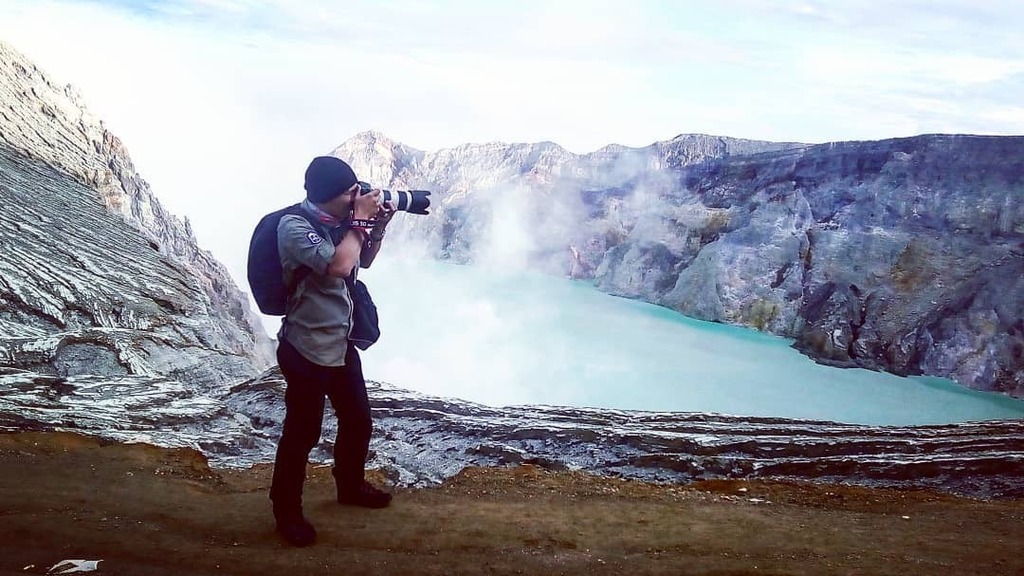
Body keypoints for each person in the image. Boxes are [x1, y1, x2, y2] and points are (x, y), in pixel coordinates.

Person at [270, 155, 396, 547]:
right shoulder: (294, 226)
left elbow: (364, 262)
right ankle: (286, 511)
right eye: (350, 193)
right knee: (302, 432)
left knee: (358, 419)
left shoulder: (342, 223)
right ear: (329, 196)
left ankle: (350, 486)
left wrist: (376, 229)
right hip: (306, 345)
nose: (357, 197)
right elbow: (340, 266)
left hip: (340, 342)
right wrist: (359, 222)